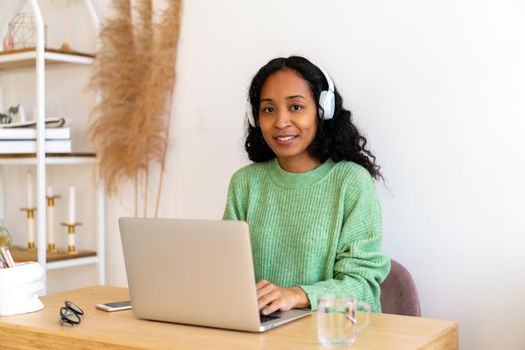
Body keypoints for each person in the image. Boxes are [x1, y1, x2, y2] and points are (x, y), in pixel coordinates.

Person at [223, 56, 390, 315]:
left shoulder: (351, 181)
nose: (280, 121)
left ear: (323, 111)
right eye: (268, 109)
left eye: (296, 107)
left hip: (332, 334)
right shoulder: (245, 183)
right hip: (262, 333)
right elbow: (227, 272)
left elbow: (362, 285)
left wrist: (296, 295)